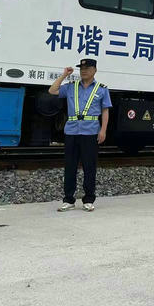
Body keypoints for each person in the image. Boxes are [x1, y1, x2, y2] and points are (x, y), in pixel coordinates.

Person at [48, 58, 111, 212]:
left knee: (89, 167)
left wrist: (103, 130)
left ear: (94, 70)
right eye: (82, 68)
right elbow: (52, 90)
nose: (84, 71)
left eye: (87, 68)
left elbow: (105, 111)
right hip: (72, 131)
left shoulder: (102, 89)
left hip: (90, 132)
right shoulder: (72, 86)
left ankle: (88, 199)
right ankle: (68, 200)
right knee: (70, 166)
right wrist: (64, 75)